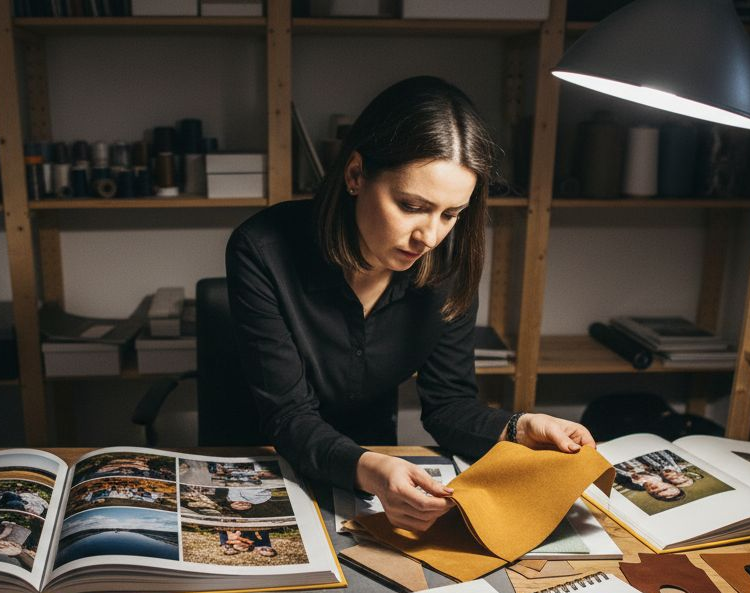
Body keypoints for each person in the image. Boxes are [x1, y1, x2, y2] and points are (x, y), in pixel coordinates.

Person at [227, 76, 594, 533]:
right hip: (265, 472)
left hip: (378, 474)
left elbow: (449, 405)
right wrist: (371, 469)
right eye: (410, 205)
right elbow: (288, 416)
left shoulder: (450, 262)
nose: (430, 237)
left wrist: (520, 427)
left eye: (450, 214)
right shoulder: (261, 248)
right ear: (356, 174)